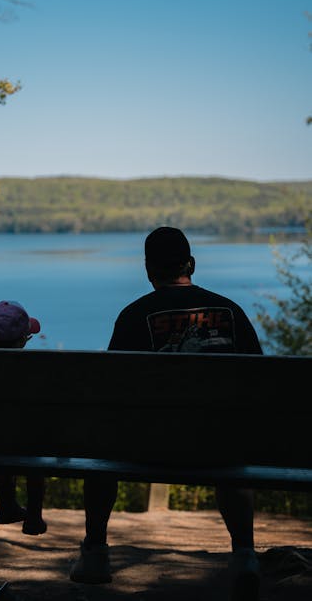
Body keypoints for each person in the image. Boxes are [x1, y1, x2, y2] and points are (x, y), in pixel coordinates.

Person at [70, 227, 263, 601]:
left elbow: (110, 389)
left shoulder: (133, 316)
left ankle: (95, 553)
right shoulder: (231, 312)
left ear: (147, 269)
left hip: (149, 447)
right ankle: (244, 556)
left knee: (99, 444)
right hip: (218, 445)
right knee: (228, 435)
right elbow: (258, 381)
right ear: (190, 264)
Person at [0, 300, 47, 536]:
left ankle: (7, 503)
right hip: (28, 446)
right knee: (33, 442)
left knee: (1, 435)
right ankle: (34, 514)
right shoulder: (31, 373)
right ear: (21, 341)